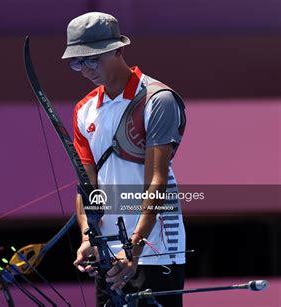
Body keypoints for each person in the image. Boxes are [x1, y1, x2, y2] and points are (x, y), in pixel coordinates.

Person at [64, 12, 187, 306]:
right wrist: (87, 237)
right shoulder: (84, 109)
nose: (86, 69)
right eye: (78, 62)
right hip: (107, 251)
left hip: (155, 249)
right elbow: (87, 186)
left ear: (118, 49)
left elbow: (156, 180)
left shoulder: (157, 99)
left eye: (93, 58)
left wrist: (134, 248)